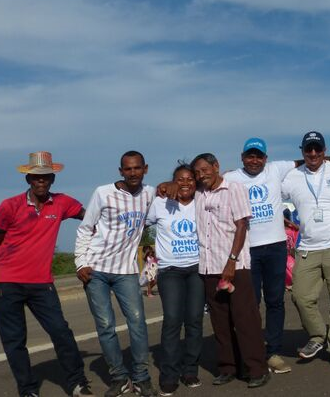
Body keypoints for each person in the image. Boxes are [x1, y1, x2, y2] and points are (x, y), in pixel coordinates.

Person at [0, 152, 93, 397]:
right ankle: (28, 390)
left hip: (41, 284)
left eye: (45, 177)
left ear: (52, 179)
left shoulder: (62, 203)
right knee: (15, 341)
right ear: (28, 180)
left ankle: (78, 383)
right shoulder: (9, 206)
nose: (41, 182)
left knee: (60, 331)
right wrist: (2, 274)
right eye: (36, 178)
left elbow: (89, 218)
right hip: (7, 284)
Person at [74, 151, 158, 397]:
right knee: (105, 326)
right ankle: (119, 378)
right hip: (96, 270)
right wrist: (81, 263)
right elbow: (85, 228)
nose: (133, 173)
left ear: (145, 169)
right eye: (127, 169)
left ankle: (141, 377)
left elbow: (169, 192)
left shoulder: (150, 194)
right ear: (120, 171)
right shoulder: (103, 193)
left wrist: (170, 185)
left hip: (126, 271)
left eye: (137, 168)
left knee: (137, 323)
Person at [191, 153, 270, 389]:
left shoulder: (234, 189)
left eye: (205, 169)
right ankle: (228, 367)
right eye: (197, 172)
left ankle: (256, 369)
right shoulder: (198, 193)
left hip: (235, 266)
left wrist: (231, 261)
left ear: (216, 167)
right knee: (220, 321)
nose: (201, 175)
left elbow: (242, 225)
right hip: (208, 266)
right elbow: (175, 185)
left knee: (245, 320)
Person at [223, 137, 296, 373]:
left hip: (275, 247)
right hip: (248, 249)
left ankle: (273, 351)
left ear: (266, 158)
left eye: (259, 156)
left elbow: (305, 160)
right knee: (250, 303)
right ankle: (251, 351)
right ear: (242, 157)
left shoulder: (275, 169)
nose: (254, 160)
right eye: (250, 156)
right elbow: (204, 180)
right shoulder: (231, 177)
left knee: (275, 301)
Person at [281, 131, 330, 367]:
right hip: (307, 248)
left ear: (324, 150)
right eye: (308, 149)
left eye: (317, 149)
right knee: (301, 297)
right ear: (302, 150)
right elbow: (270, 197)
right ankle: (318, 335)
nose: (313, 154)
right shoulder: (291, 177)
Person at [145, 163, 204, 396]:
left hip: (197, 269)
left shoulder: (202, 199)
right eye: (180, 179)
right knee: (172, 320)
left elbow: (225, 178)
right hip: (170, 270)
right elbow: (143, 220)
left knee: (195, 320)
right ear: (172, 182)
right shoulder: (160, 202)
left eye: (190, 179)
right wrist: (158, 188)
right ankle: (169, 374)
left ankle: (190, 370)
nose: (186, 183)